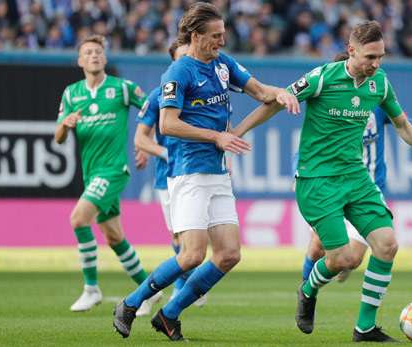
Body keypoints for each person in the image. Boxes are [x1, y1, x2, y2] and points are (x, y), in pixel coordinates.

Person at [232, 20, 412, 342]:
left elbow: (401, 123)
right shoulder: (322, 77)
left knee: (387, 245)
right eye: (370, 57)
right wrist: (238, 132)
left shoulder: (380, 84)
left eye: (381, 57)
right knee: (342, 259)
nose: (376, 64)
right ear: (351, 51)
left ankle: (365, 328)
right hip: (317, 181)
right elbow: (277, 101)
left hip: (356, 178)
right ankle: (308, 288)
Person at [112, 2, 299, 341]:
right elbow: (167, 124)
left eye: (223, 35)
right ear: (196, 37)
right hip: (189, 174)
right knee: (192, 255)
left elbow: (259, 91)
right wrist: (217, 136)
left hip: (217, 174)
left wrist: (282, 93)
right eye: (215, 36)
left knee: (229, 254)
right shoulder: (178, 73)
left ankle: (169, 314)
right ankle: (130, 302)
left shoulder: (223, 65)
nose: (221, 42)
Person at [299, 52, 412, 285]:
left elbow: (405, 123)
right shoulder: (328, 111)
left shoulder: (373, 101)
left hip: (366, 188)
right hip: (329, 185)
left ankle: (330, 268)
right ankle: (305, 290)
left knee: (352, 259)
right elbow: (307, 150)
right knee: (318, 246)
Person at [54, 34, 159, 315]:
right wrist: (65, 124)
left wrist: (146, 144)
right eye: (88, 52)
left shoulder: (122, 88)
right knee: (113, 237)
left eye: (98, 52)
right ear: (80, 60)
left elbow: (155, 109)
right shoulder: (71, 93)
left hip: (113, 170)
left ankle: (91, 289)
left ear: (105, 58)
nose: (94, 56)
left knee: (78, 219)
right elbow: (59, 138)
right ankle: (149, 291)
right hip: (92, 174)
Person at [133, 41, 208, 309]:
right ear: (173, 63)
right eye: (182, 57)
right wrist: (163, 153)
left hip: (201, 172)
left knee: (192, 238)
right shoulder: (158, 95)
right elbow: (140, 138)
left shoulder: (206, 90)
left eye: (190, 55)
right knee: (179, 238)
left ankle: (182, 286)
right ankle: (185, 284)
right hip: (169, 177)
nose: (188, 61)